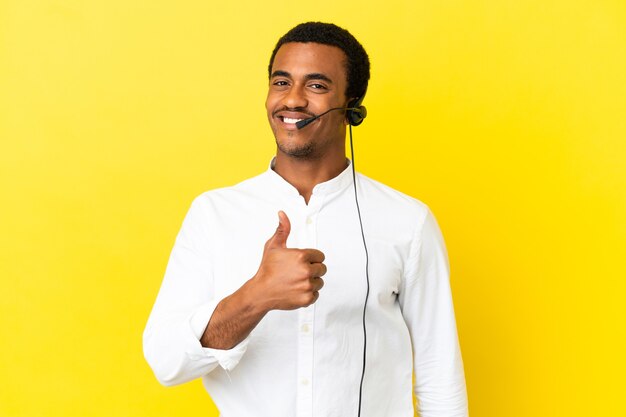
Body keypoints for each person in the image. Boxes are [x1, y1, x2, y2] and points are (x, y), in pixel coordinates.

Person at [143, 22, 468, 417]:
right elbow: (166, 363)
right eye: (281, 82)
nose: (293, 100)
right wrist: (256, 296)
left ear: (352, 105)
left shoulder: (408, 222)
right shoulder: (214, 214)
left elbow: (439, 377)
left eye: (316, 86)